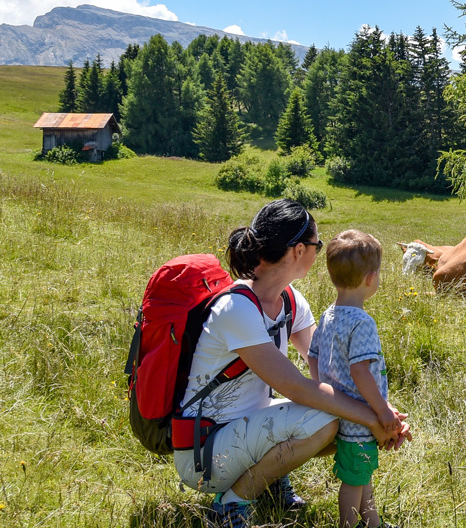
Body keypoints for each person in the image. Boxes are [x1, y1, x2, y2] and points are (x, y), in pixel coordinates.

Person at [173, 199, 410, 528]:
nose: (318, 253)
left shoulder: (289, 300)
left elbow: (333, 371)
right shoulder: (237, 308)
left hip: (243, 431)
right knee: (327, 418)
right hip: (205, 452)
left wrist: (386, 414)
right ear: (300, 250)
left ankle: (269, 483)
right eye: (317, 245)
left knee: (337, 414)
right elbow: (297, 388)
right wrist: (373, 418)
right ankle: (231, 504)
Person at [307, 230, 399, 528]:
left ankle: (372, 522)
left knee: (361, 473)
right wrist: (383, 411)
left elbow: (313, 355)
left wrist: (325, 389)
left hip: (341, 408)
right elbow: (360, 371)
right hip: (359, 415)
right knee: (353, 479)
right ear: (371, 278)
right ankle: (348, 524)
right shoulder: (362, 322)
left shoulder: (328, 315)